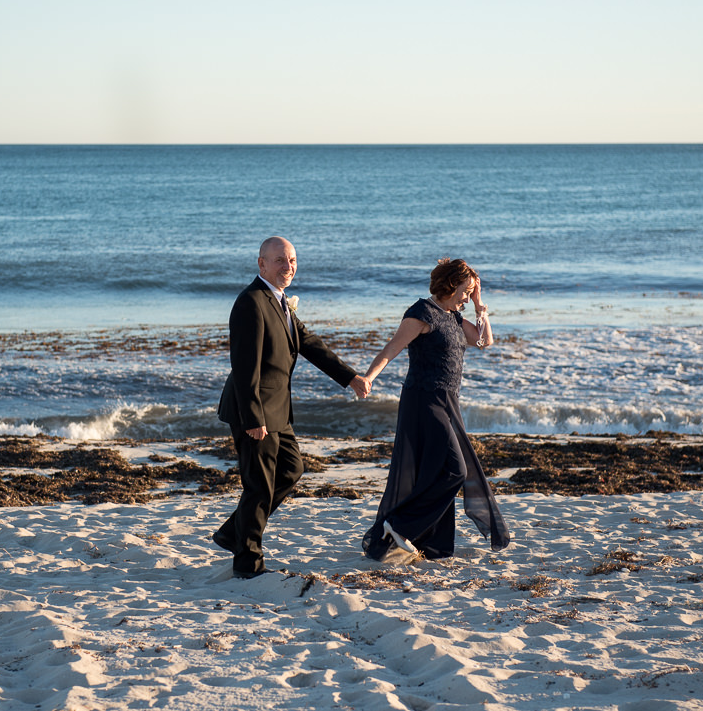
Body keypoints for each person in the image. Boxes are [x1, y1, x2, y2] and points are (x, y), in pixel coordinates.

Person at [214, 237, 372, 578]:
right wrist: (253, 417)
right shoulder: (251, 303)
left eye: (293, 260)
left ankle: (233, 532)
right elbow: (244, 368)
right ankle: (248, 563)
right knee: (259, 486)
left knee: (292, 468)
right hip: (254, 410)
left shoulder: (281, 302)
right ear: (262, 264)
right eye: (281, 261)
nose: (289, 266)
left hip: (279, 410)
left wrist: (350, 378)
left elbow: (310, 345)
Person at [361, 258, 510, 561]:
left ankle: (433, 545)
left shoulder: (453, 316)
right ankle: (399, 526)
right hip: (423, 399)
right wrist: (368, 377)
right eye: (465, 291)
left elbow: (484, 340)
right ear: (449, 285)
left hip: (448, 400)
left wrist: (481, 305)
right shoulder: (421, 313)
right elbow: (391, 349)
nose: (467, 297)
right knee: (456, 470)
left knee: (435, 471)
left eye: (470, 292)